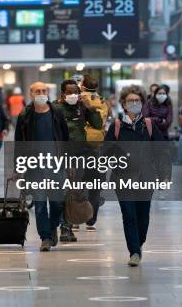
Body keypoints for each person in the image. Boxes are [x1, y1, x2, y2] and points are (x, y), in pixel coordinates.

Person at [105, 85, 164, 267]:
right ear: (123, 104)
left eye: (137, 100)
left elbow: (161, 151)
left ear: (142, 103)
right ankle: (134, 252)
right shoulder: (116, 126)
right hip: (123, 179)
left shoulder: (149, 125)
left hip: (146, 178)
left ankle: (138, 244)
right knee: (129, 214)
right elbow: (105, 152)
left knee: (143, 216)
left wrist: (164, 174)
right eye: (130, 101)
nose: (134, 103)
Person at [16, 82, 69, 252]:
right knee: (39, 204)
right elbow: (19, 143)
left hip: (56, 164)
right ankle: (45, 237)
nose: (41, 93)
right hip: (35, 167)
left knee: (57, 203)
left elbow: (65, 138)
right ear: (31, 93)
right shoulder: (25, 114)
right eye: (37, 91)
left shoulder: (57, 112)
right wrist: (18, 167)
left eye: (44, 91)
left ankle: (53, 226)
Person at [52, 79, 103, 242]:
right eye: (70, 92)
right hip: (61, 156)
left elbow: (97, 124)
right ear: (62, 94)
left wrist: (91, 108)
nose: (74, 95)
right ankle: (63, 227)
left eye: (76, 92)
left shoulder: (82, 107)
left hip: (81, 153)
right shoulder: (55, 108)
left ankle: (73, 221)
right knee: (64, 191)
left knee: (79, 189)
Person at [81, 75, 111, 231]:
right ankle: (91, 218)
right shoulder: (103, 101)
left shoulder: (79, 100)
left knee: (76, 183)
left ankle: (75, 216)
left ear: (82, 85)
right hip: (98, 146)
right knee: (96, 183)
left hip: (80, 146)